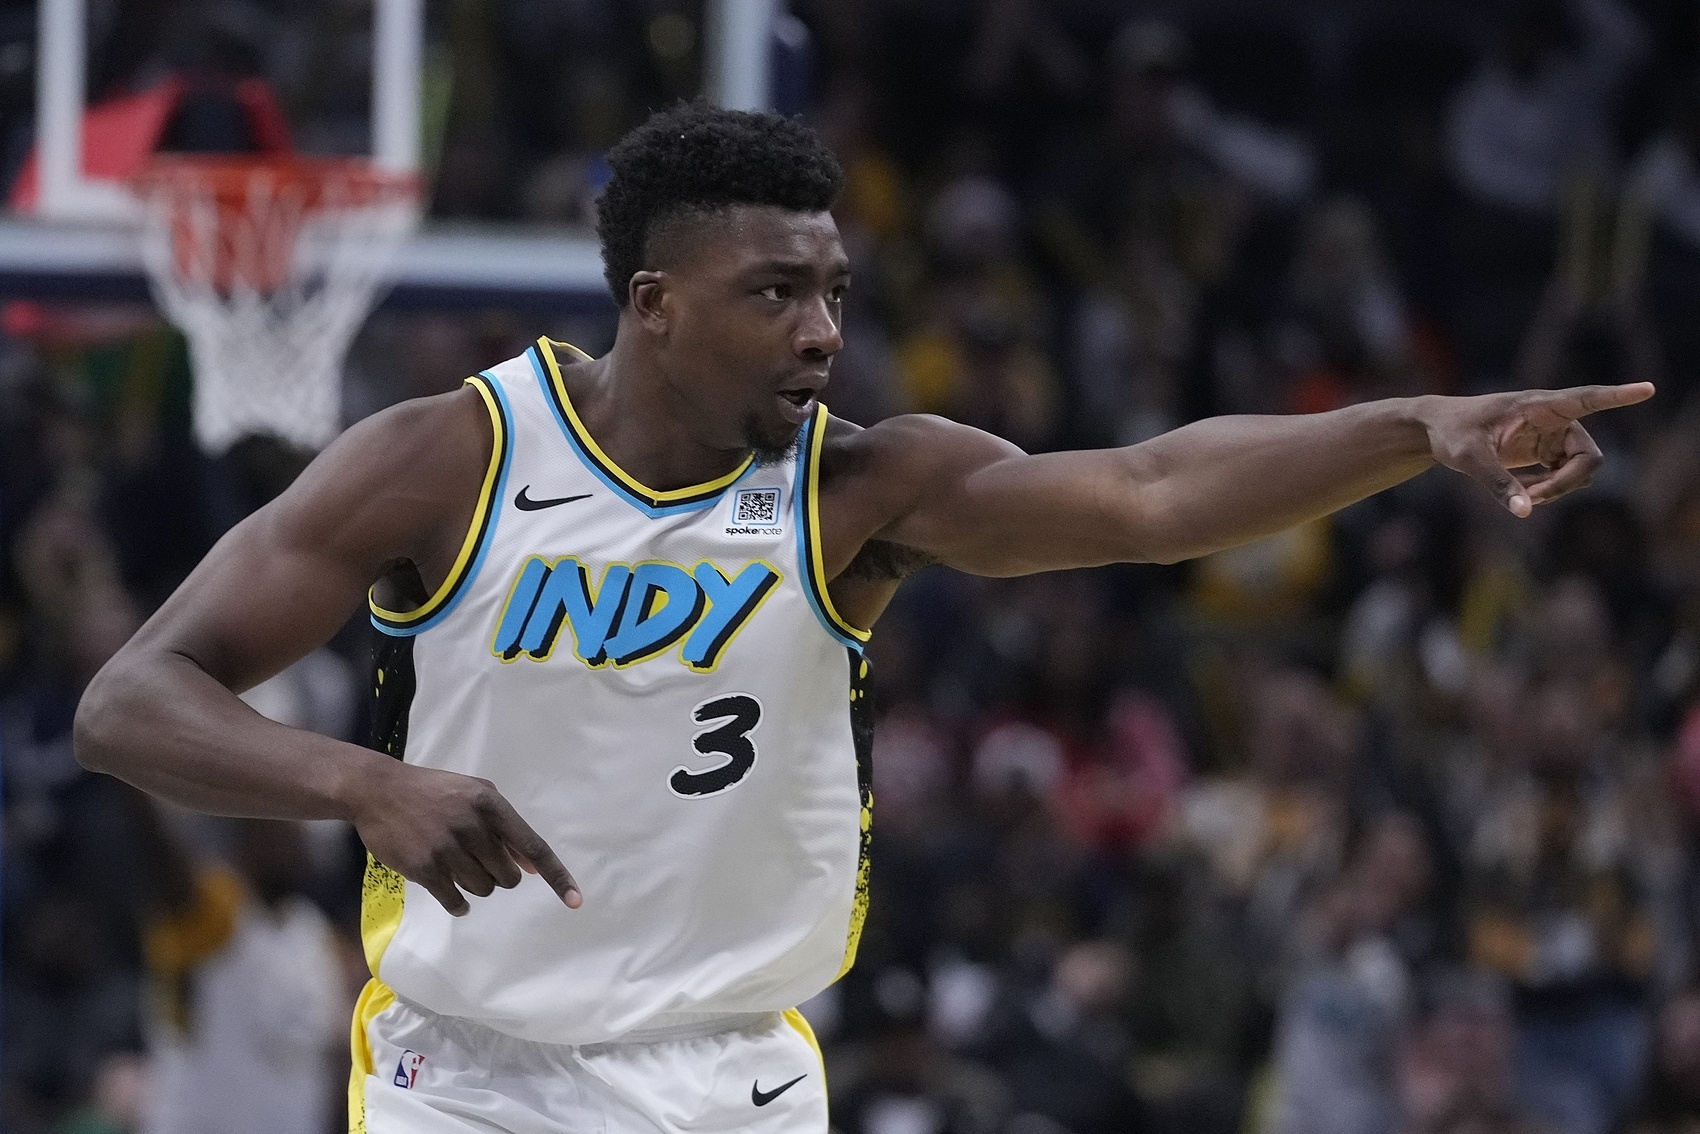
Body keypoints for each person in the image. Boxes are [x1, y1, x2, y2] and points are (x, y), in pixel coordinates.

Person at [72, 102, 1652, 1134]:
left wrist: (1418, 426)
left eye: (833, 289)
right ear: (654, 305)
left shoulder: (859, 489)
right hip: (471, 1072)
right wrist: (359, 780)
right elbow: (131, 698)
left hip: (737, 1066)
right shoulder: (453, 459)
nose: (825, 330)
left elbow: (1153, 491)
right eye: (777, 291)